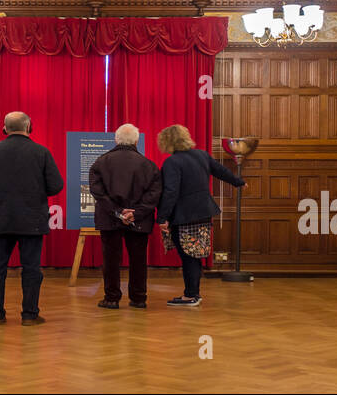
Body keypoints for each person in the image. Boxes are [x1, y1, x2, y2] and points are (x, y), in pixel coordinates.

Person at [0, 111, 63, 325]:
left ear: (4, 129)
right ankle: (30, 315)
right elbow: (56, 185)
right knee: (31, 268)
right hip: (31, 220)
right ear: (29, 127)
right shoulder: (41, 152)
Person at [156, 124, 245, 308]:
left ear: (167, 141)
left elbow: (171, 192)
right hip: (204, 213)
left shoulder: (172, 162)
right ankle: (193, 294)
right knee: (194, 255)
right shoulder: (202, 155)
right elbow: (221, 171)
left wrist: (162, 217)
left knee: (188, 256)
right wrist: (238, 182)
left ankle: (191, 296)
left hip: (184, 216)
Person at [89, 123, 161, 309]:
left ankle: (111, 298)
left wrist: (117, 212)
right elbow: (154, 194)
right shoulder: (148, 165)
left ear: (116, 139)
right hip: (139, 220)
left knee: (111, 259)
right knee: (138, 259)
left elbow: (97, 192)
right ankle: (138, 298)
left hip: (109, 218)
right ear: (136, 140)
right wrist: (136, 213)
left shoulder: (101, 162)